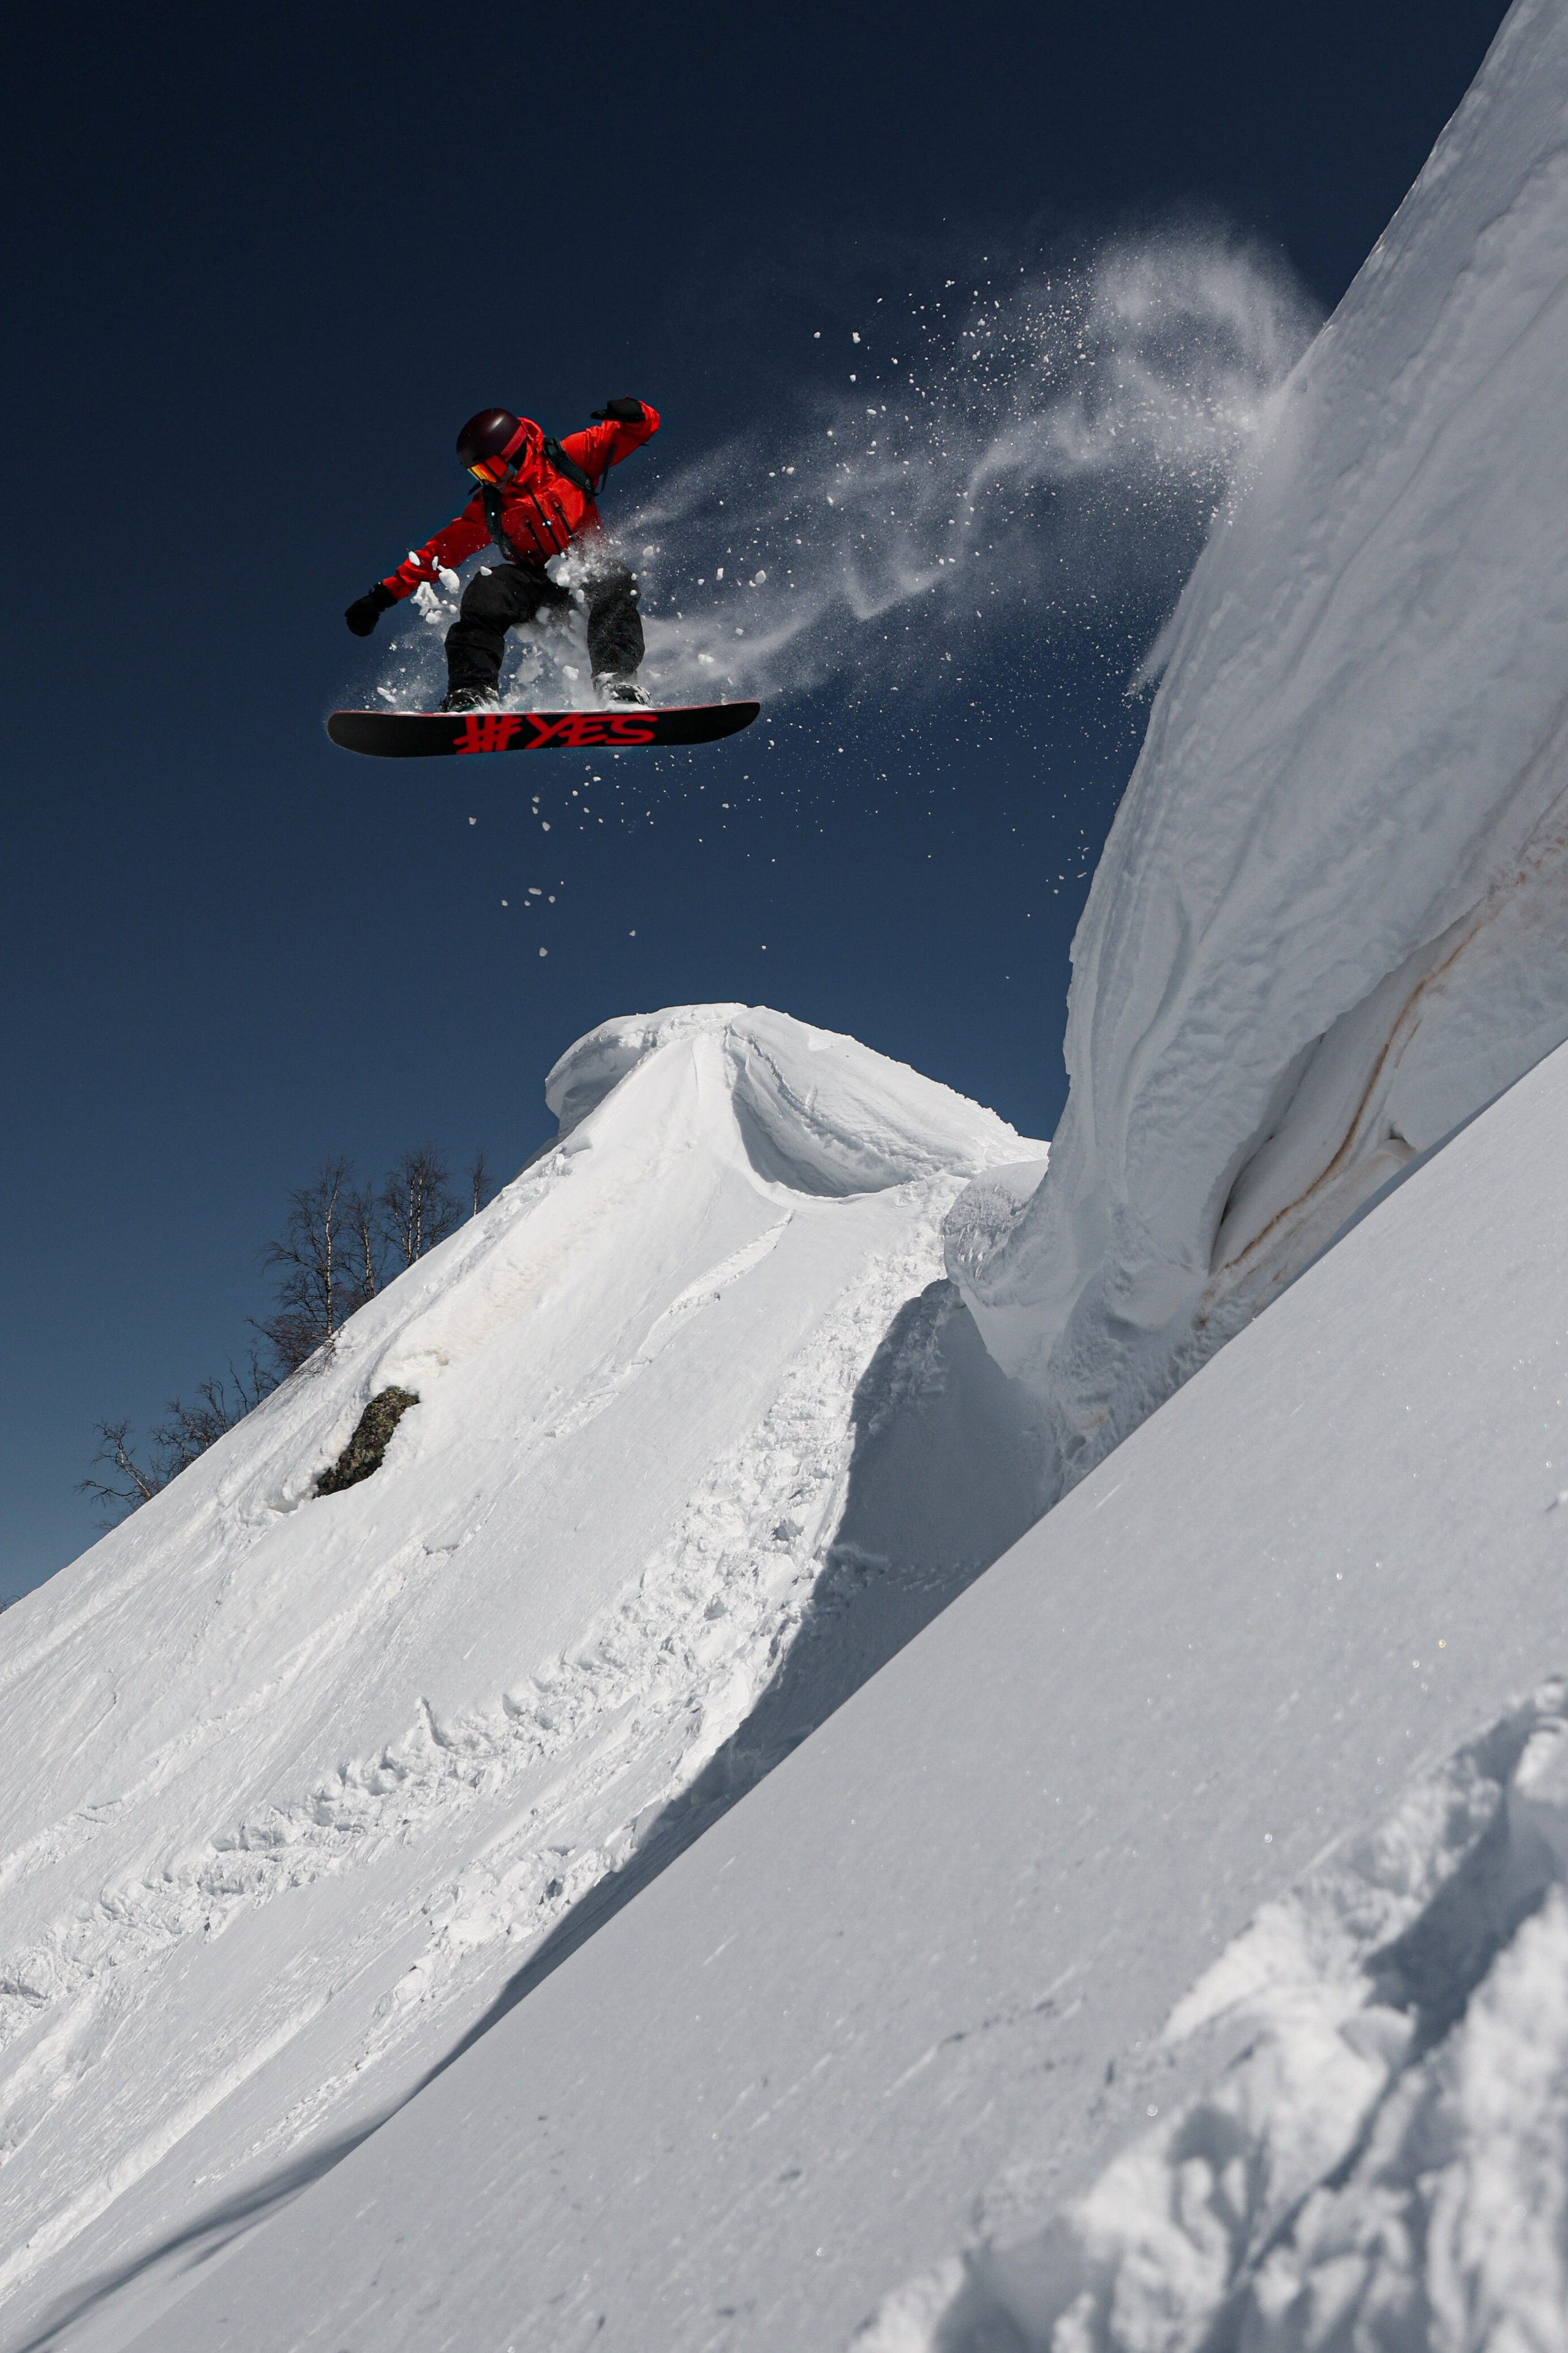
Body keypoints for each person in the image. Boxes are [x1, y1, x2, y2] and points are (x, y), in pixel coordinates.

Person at [344, 398, 660, 712]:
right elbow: (440, 551)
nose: (489, 480)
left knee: (616, 578)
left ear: (515, 453)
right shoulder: (492, 506)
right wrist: (381, 597)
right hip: (536, 588)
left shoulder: (569, 458)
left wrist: (634, 413)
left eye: (491, 468)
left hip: (586, 576)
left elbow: (639, 429)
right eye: (478, 474)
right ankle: (472, 694)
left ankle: (617, 684)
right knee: (487, 589)